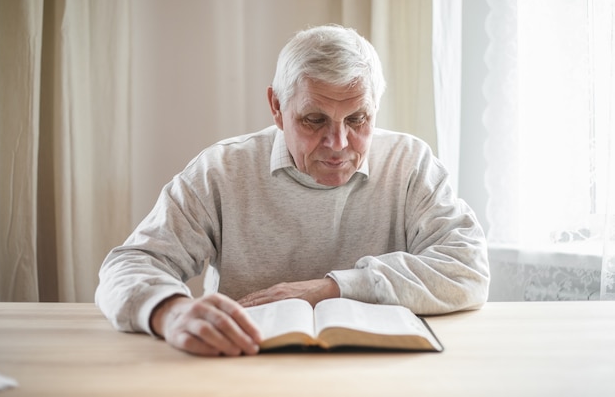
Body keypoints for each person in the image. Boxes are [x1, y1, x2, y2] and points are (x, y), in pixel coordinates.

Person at [95, 24, 489, 357]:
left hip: (380, 373)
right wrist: (171, 311)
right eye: (314, 119)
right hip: (240, 366)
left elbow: (468, 267)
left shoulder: (410, 163)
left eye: (358, 119)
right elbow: (129, 264)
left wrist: (332, 288)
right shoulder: (222, 170)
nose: (338, 143)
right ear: (277, 107)